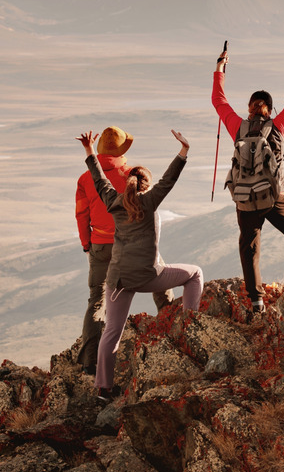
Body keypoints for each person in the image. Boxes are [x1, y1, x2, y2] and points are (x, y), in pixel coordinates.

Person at [77, 128, 204, 398]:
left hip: (118, 280)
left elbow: (100, 180)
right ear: (146, 185)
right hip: (148, 277)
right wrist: (183, 151)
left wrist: (90, 151)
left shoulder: (113, 201)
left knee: (111, 332)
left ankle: (102, 389)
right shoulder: (150, 202)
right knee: (195, 274)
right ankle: (189, 324)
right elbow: (169, 180)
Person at [212, 43, 284, 314]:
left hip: (245, 198)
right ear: (269, 108)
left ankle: (256, 302)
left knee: (249, 246)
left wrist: (220, 68)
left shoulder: (238, 126)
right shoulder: (279, 125)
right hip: (274, 197)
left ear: (251, 107)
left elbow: (218, 101)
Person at [73, 126, 173, 375]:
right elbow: (148, 213)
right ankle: (172, 327)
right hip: (133, 243)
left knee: (97, 301)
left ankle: (89, 362)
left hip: (100, 245)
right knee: (159, 279)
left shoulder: (86, 178)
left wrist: (87, 244)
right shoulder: (133, 175)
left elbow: (81, 215)